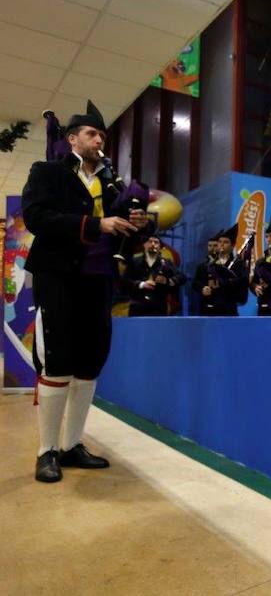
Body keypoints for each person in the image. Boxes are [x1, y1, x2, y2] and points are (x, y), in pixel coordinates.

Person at [23, 100, 150, 482]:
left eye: (103, 136)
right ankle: (46, 451)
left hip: (99, 279)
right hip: (58, 276)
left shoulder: (112, 185)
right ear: (72, 138)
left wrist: (137, 224)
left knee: (90, 364)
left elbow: (125, 238)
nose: (99, 140)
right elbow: (37, 218)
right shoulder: (46, 171)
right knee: (58, 362)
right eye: (92, 134)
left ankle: (72, 445)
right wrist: (97, 226)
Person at [122, 234, 185, 316]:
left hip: (159, 307)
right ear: (144, 245)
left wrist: (168, 281)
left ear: (160, 247)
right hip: (137, 307)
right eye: (150, 241)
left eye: (156, 242)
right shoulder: (134, 261)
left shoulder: (167, 263)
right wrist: (142, 284)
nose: (153, 244)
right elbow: (124, 282)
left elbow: (182, 277)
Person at [198, 224, 248, 316]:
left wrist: (223, 283)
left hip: (228, 310)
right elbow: (197, 282)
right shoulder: (208, 263)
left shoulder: (238, 265)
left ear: (232, 245)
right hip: (208, 309)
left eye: (225, 242)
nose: (221, 244)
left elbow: (242, 286)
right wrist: (203, 288)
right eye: (220, 241)